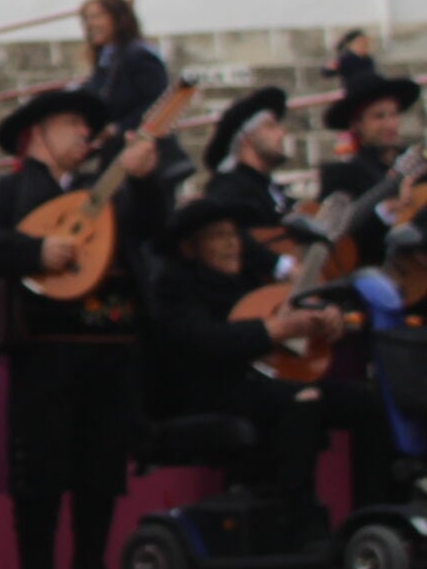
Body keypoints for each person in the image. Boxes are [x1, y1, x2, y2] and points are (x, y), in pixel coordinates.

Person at [0, 89, 165, 569]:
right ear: (38, 133)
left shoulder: (106, 192)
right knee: (40, 467)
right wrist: (34, 251)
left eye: (85, 125)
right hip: (44, 348)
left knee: (102, 466)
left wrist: (146, 179)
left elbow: (155, 227)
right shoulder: (5, 192)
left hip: (110, 344)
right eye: (71, 122)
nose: (83, 133)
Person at [147, 199, 376, 520]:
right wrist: (274, 330)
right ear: (189, 248)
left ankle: (372, 512)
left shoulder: (249, 279)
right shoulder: (173, 288)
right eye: (217, 236)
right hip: (205, 391)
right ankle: (294, 517)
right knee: (302, 399)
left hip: (261, 380)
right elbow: (207, 341)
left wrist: (325, 320)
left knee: (368, 401)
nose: (231, 245)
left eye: (233, 235)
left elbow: (291, 317)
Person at [318, 74, 421, 268]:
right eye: (379, 116)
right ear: (358, 124)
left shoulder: (417, 163)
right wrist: (387, 212)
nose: (390, 125)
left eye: (394, 114)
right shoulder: (341, 174)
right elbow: (340, 238)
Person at [198, 86, 297, 286]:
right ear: (246, 137)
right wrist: (279, 264)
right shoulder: (229, 187)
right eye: (270, 126)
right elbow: (227, 234)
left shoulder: (268, 188)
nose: (281, 133)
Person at [78, 0, 168, 132]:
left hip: (141, 144)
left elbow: (158, 102)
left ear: (118, 18)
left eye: (97, 16)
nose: (90, 24)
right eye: (87, 18)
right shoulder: (107, 58)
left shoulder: (140, 57)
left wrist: (118, 127)